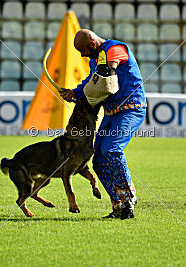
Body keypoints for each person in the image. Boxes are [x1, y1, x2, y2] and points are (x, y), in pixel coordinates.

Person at [60, 29, 146, 220]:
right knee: (98, 160)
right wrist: (75, 93)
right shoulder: (94, 59)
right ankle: (119, 207)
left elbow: (110, 66)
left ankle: (128, 196)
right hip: (111, 113)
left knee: (112, 149)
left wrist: (109, 68)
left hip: (130, 109)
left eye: (83, 50)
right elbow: (94, 81)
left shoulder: (114, 48)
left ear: (91, 44)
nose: (82, 55)